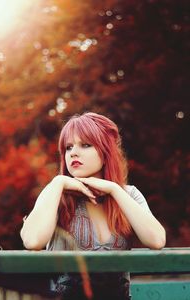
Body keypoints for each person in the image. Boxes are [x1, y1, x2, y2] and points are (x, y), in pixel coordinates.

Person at [20, 112, 166, 300]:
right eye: (68, 147)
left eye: (85, 145)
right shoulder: (57, 195)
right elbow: (32, 241)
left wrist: (114, 189)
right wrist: (57, 183)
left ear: (106, 154)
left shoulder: (128, 194)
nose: (73, 152)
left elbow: (156, 240)